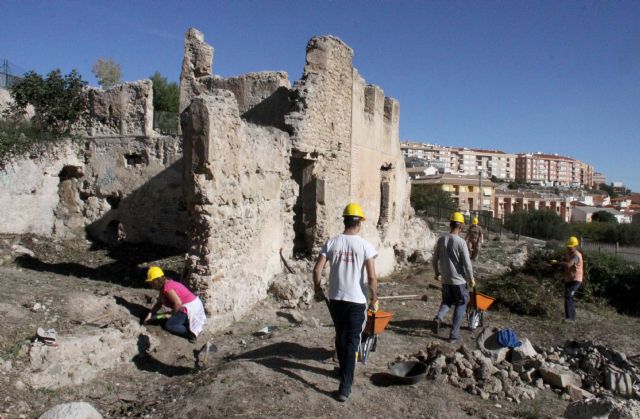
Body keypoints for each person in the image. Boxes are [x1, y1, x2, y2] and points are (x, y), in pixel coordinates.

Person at [312, 203, 378, 402]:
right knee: (351, 342)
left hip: (336, 299)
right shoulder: (365, 246)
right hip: (356, 301)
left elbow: (317, 270)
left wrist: (318, 289)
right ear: (360, 224)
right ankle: (345, 386)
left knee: (340, 336)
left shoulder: (332, 242)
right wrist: (374, 298)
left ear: (345, 221)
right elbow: (372, 277)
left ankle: (342, 371)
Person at [432, 211, 476, 343]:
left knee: (447, 301)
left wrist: (437, 273)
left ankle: (439, 317)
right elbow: (467, 264)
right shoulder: (461, 242)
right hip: (459, 281)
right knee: (461, 303)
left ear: (450, 224)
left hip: (446, 279)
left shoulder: (441, 239)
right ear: (461, 226)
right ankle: (453, 335)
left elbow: (434, 260)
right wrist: (471, 278)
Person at [143, 266, 206, 342]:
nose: (151, 285)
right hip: (194, 305)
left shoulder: (167, 288)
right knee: (164, 316)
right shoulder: (167, 284)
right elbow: (159, 303)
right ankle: (187, 322)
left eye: (151, 283)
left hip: (189, 307)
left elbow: (178, 303)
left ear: (156, 281)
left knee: (169, 325)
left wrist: (171, 315)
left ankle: (190, 333)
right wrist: (150, 314)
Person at [560, 236, 583, 321]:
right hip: (570, 279)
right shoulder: (569, 254)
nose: (569, 248)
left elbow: (569, 265)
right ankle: (571, 317)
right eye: (568, 246)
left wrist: (558, 263)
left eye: (571, 246)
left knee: (568, 296)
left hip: (576, 280)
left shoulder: (576, 256)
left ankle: (570, 318)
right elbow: (567, 268)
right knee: (568, 297)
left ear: (575, 246)